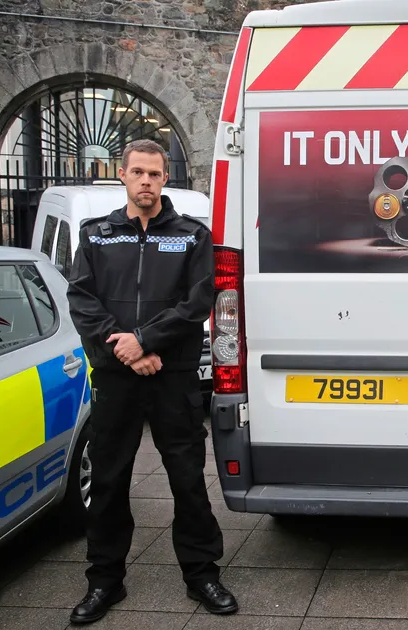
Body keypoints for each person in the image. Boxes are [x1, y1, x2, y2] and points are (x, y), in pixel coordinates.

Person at [65, 139, 237, 624]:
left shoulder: (190, 236)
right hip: (118, 376)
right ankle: (104, 582)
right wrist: (125, 348)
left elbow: (198, 301)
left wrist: (145, 340)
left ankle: (202, 573)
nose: (146, 181)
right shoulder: (96, 235)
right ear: (121, 175)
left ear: (166, 178)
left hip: (173, 377)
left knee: (186, 479)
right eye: (137, 172)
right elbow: (82, 299)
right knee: (109, 478)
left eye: (154, 174)